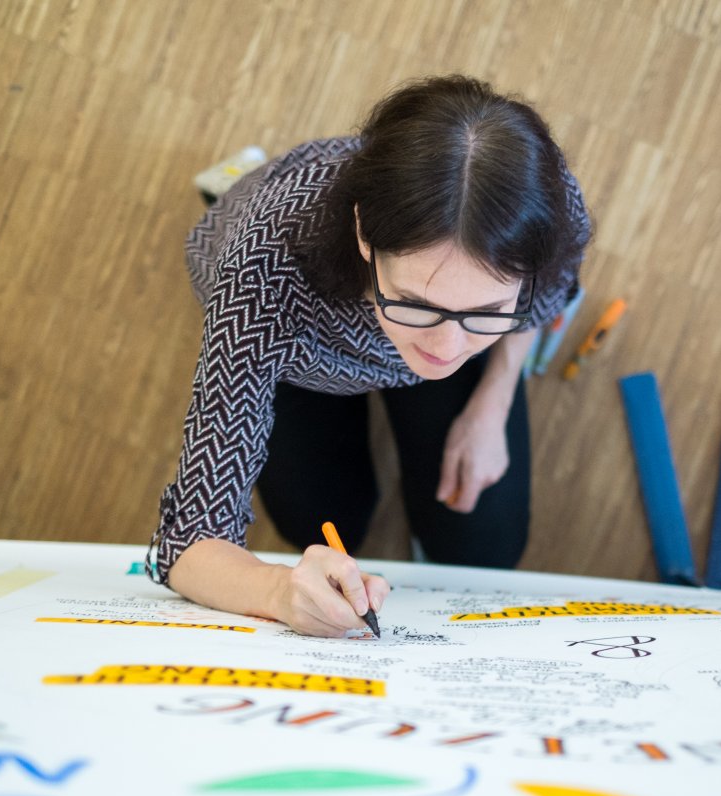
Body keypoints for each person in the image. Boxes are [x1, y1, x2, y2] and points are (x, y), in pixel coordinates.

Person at [147, 75, 590, 637]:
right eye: (415, 301)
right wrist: (278, 590)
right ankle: (234, 185)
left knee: (486, 548)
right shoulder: (259, 268)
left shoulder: (550, 208)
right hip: (301, 345)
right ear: (363, 233)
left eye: (487, 308)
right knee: (321, 518)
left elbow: (547, 301)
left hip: (365, 322)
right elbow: (187, 540)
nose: (445, 352)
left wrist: (493, 399)